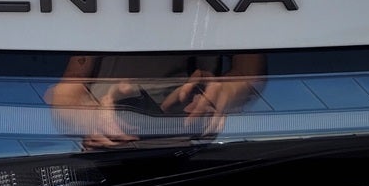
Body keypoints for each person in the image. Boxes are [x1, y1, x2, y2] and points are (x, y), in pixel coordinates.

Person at [47, 53, 265, 149]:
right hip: (109, 156)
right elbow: (67, 92)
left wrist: (223, 93)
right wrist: (92, 119)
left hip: (198, 152)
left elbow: (251, 74)